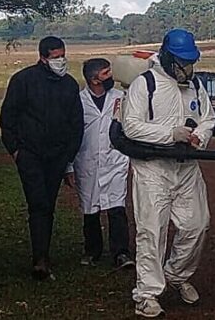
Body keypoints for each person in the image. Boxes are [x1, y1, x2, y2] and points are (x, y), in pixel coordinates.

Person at [121, 28, 215, 318]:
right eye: (182, 63)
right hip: (153, 169)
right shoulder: (145, 84)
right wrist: (169, 134)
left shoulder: (195, 85)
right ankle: (147, 295)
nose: (186, 69)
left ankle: (176, 275)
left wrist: (200, 136)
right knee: (152, 231)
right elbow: (131, 125)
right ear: (167, 57)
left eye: (190, 62)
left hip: (186, 168)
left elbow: (209, 119)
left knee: (197, 225)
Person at [0, 36, 84, 280]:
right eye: (56, 57)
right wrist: (15, 150)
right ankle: (40, 259)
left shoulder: (69, 85)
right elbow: (8, 118)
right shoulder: (23, 80)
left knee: (48, 203)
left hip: (57, 155)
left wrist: (68, 155)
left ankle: (43, 253)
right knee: (38, 203)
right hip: (29, 154)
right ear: (43, 58)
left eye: (63, 56)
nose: (61, 61)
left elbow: (76, 123)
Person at [68, 58, 134, 269]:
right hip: (86, 162)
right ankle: (92, 251)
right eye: (106, 73)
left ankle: (121, 253)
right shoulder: (78, 102)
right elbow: (71, 135)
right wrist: (68, 166)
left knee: (117, 207)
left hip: (115, 161)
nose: (111, 76)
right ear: (94, 79)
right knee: (90, 209)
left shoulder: (120, 98)